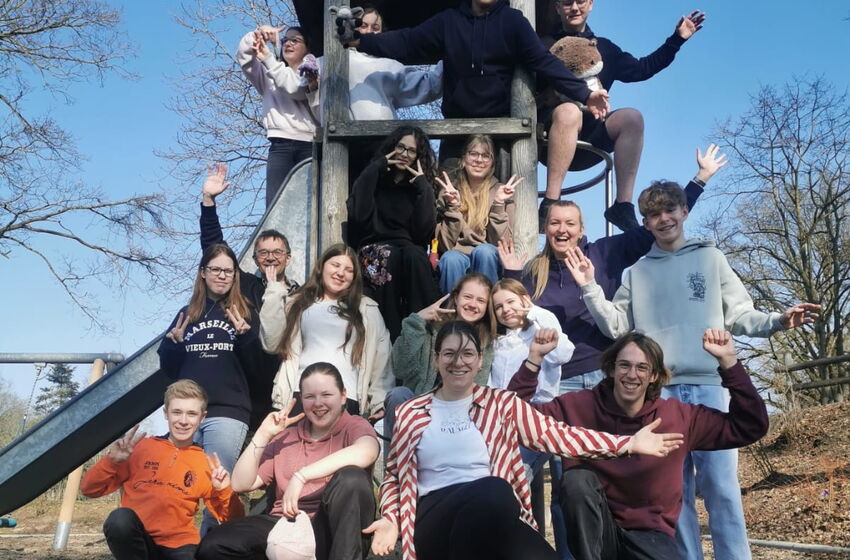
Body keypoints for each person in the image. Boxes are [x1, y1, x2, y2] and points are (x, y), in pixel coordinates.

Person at [565, 180, 820, 560]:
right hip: (660, 396)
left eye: (670, 210)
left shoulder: (710, 258)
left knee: (722, 488)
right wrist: (589, 287)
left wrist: (779, 320)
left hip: (708, 389)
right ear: (645, 222)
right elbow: (617, 326)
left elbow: (740, 314)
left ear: (684, 212)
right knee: (673, 494)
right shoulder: (637, 272)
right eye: (654, 214)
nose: (663, 219)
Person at [499, 144, 725, 557]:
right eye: (555, 223)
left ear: (581, 228)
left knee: (613, 474)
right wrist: (511, 271)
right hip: (564, 384)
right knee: (567, 482)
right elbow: (513, 311)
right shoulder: (534, 272)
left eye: (570, 223)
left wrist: (700, 180)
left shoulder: (605, 253)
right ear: (546, 229)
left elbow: (660, 222)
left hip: (609, 382)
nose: (562, 229)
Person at [364, 321, 684, 560]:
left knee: (503, 510)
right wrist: (391, 519)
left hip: (495, 513)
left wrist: (626, 444)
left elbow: (558, 435)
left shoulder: (502, 404)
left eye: (467, 353)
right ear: (436, 360)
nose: (458, 362)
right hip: (435, 517)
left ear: (480, 361)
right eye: (449, 353)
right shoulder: (410, 412)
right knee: (494, 490)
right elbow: (394, 476)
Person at [508, 330, 770, 559]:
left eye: (642, 368)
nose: (632, 374)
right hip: (597, 533)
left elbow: (750, 426)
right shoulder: (577, 406)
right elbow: (510, 416)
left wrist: (729, 363)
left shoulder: (679, 417)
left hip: (651, 535)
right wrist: (534, 360)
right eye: (624, 365)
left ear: (654, 375)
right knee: (577, 480)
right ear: (611, 369)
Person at [343, 0, 610, 160]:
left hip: (500, 132)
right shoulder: (448, 22)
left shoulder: (513, 22)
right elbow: (407, 41)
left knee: (499, 208)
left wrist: (585, 94)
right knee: (449, 206)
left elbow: (543, 60)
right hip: (456, 130)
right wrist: (359, 40)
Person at [539, 1, 706, 231]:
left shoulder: (604, 48)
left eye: (581, 1)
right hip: (553, 139)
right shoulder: (544, 46)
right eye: (568, 2)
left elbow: (642, 69)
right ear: (557, 7)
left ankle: (622, 205)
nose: (575, 8)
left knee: (632, 118)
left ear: (591, 4)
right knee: (569, 111)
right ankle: (550, 201)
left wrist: (676, 39)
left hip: (590, 139)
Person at [196, 363, 380, 560]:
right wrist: (263, 434)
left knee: (352, 478)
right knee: (214, 546)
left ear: (343, 396)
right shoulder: (287, 437)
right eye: (310, 396)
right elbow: (241, 484)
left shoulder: (354, 426)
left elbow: (367, 452)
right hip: (284, 523)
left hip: (332, 530)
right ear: (301, 399)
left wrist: (301, 476)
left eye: (327, 395)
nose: (318, 403)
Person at [157, 243, 261, 534]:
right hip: (188, 414)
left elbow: (259, 371)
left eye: (228, 271)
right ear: (203, 273)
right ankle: (176, 548)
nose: (222, 275)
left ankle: (213, 550)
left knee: (218, 491)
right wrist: (173, 345)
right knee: (174, 488)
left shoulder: (245, 312)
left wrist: (246, 339)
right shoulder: (187, 313)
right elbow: (169, 368)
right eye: (215, 269)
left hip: (227, 412)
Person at [81, 380, 244, 560]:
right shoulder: (140, 449)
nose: (183, 421)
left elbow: (233, 520)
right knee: (119, 519)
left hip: (181, 546)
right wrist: (111, 462)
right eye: (177, 412)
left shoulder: (205, 463)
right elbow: (89, 489)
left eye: (191, 414)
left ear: (202, 417)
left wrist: (224, 490)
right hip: (138, 542)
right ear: (166, 413)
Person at [200, 162, 300, 429]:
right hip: (248, 386)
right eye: (263, 253)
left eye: (277, 252)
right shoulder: (245, 285)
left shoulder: (301, 294)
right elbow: (214, 249)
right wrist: (208, 201)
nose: (270, 257)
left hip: (286, 386)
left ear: (288, 258)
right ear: (255, 259)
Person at [260, 243, 393, 421]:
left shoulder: (367, 309)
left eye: (349, 270)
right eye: (335, 265)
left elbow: (382, 360)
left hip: (347, 397)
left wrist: (379, 401)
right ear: (322, 266)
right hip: (300, 396)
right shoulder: (297, 303)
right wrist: (274, 292)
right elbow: (271, 344)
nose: (341, 273)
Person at [346, 125, 442, 340]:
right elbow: (359, 216)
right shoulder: (376, 178)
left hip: (408, 248)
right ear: (392, 147)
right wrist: (374, 169)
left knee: (416, 256)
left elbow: (423, 234)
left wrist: (424, 188)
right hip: (374, 246)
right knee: (390, 255)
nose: (404, 154)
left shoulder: (419, 187)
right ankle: (389, 335)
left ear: (418, 156)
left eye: (411, 151)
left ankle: (423, 333)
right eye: (401, 147)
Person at [383, 273, 497, 445]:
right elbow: (400, 368)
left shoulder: (485, 341)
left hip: (456, 414)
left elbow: (477, 387)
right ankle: (396, 460)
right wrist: (417, 320)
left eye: (481, 300)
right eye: (468, 297)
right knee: (398, 395)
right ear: (456, 298)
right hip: (417, 407)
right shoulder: (429, 328)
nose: (473, 304)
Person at [237, 25, 319, 206]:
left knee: (309, 206)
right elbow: (244, 57)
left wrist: (268, 59)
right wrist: (258, 34)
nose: (288, 44)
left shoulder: (314, 73)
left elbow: (296, 88)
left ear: (308, 48)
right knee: (275, 206)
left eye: (295, 40)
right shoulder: (269, 74)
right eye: (285, 40)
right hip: (279, 147)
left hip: (310, 146)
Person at [435, 134, 521, 292]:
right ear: (463, 159)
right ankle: (451, 307)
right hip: (457, 255)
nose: (479, 160)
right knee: (450, 259)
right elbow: (446, 245)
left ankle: (488, 304)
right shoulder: (448, 192)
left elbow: (502, 244)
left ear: (492, 162)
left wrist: (498, 204)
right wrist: (453, 207)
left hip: (489, 257)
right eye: (473, 154)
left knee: (484, 252)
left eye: (486, 155)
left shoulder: (502, 191)